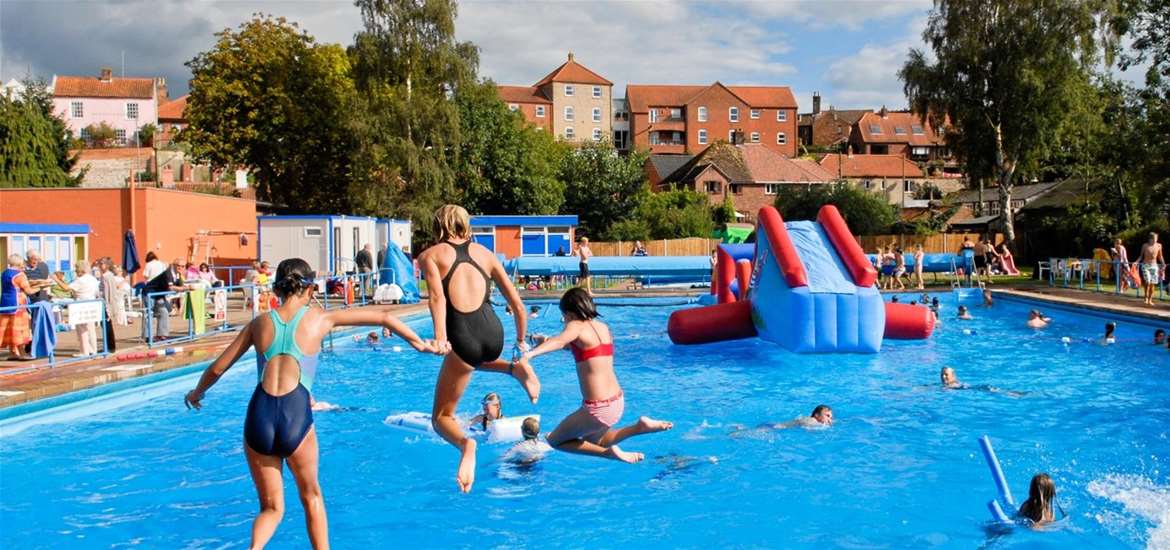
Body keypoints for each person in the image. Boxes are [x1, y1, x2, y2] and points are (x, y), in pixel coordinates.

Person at [185, 258, 436, 549]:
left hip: (259, 416)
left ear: (278, 289)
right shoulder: (320, 318)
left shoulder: (259, 323)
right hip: (295, 413)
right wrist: (419, 343)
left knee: (271, 508)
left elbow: (217, 369)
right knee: (311, 496)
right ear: (309, 288)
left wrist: (196, 393)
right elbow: (384, 317)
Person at [418, 204, 540, 493]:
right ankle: (515, 368)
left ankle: (466, 446)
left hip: (464, 335)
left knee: (441, 418)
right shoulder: (487, 255)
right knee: (474, 362)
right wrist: (521, 344)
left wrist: (440, 338)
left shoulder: (430, 256)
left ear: (439, 226)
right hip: (493, 332)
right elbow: (519, 307)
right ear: (465, 224)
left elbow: (437, 298)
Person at [523, 288, 673, 464]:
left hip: (597, 409)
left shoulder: (576, 326)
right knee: (596, 441)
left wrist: (529, 355)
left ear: (571, 313)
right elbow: (577, 347)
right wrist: (542, 340)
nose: (564, 320)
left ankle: (607, 454)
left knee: (555, 440)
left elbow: (562, 340)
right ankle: (639, 427)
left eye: (564, 315)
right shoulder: (603, 328)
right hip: (617, 402)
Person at [142, 253, 186, 341]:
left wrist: (186, 287)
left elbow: (181, 285)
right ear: (174, 265)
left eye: (183, 266)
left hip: (159, 294)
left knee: (164, 312)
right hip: (150, 292)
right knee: (149, 313)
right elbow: (171, 287)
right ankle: (147, 336)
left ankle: (162, 334)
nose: (181, 268)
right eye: (179, 266)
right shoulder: (168, 273)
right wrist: (184, 288)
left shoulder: (178, 274)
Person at [1, 254, 37, 360]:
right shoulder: (20, 275)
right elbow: (28, 290)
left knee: (8, 328)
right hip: (18, 304)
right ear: (19, 263)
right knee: (19, 329)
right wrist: (39, 288)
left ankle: (13, 352)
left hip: (5, 303)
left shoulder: (4, 273)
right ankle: (22, 353)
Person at [67, 260, 101, 356]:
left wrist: (57, 279)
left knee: (82, 329)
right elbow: (96, 292)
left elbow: (67, 288)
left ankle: (84, 351)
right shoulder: (93, 279)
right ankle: (93, 349)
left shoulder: (80, 280)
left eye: (76, 269)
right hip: (91, 304)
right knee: (91, 329)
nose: (75, 271)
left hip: (81, 305)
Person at [732, 405, 834, 435]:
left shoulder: (811, 419)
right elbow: (809, 428)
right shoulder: (812, 421)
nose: (829, 419)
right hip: (774, 428)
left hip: (773, 425)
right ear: (816, 415)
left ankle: (741, 427)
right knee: (749, 433)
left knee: (753, 430)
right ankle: (737, 432)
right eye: (827, 416)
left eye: (830, 416)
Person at [1139, 232, 1165, 306]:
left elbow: (1160, 256)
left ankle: (1150, 299)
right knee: (1147, 281)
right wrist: (1136, 262)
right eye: (1153, 239)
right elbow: (1141, 256)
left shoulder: (1159, 245)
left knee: (1152, 283)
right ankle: (1145, 297)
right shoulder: (1145, 246)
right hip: (1145, 265)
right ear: (1150, 239)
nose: (1155, 240)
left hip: (1154, 265)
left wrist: (1163, 263)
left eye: (1156, 238)